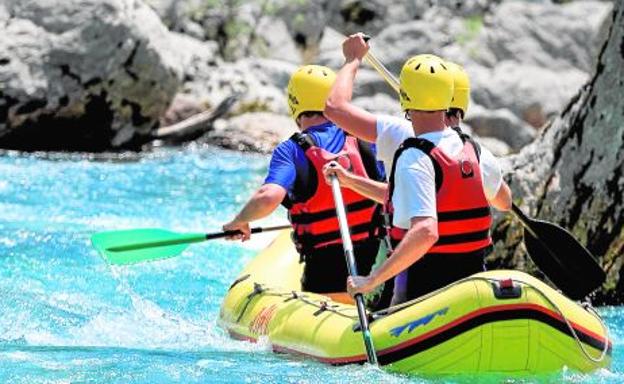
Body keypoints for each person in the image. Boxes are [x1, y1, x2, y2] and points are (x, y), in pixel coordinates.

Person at [323, 33, 513, 304]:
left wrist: (372, 280)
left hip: (421, 293)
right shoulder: (479, 152)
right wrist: (351, 181)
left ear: (405, 99)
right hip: (472, 290)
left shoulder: (412, 155)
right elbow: (504, 202)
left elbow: (425, 230)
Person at [222, 64, 385, 303]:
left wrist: (240, 221)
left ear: (294, 104)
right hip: (379, 274)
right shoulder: (365, 138)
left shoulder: (291, 150)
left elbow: (268, 196)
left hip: (325, 278)